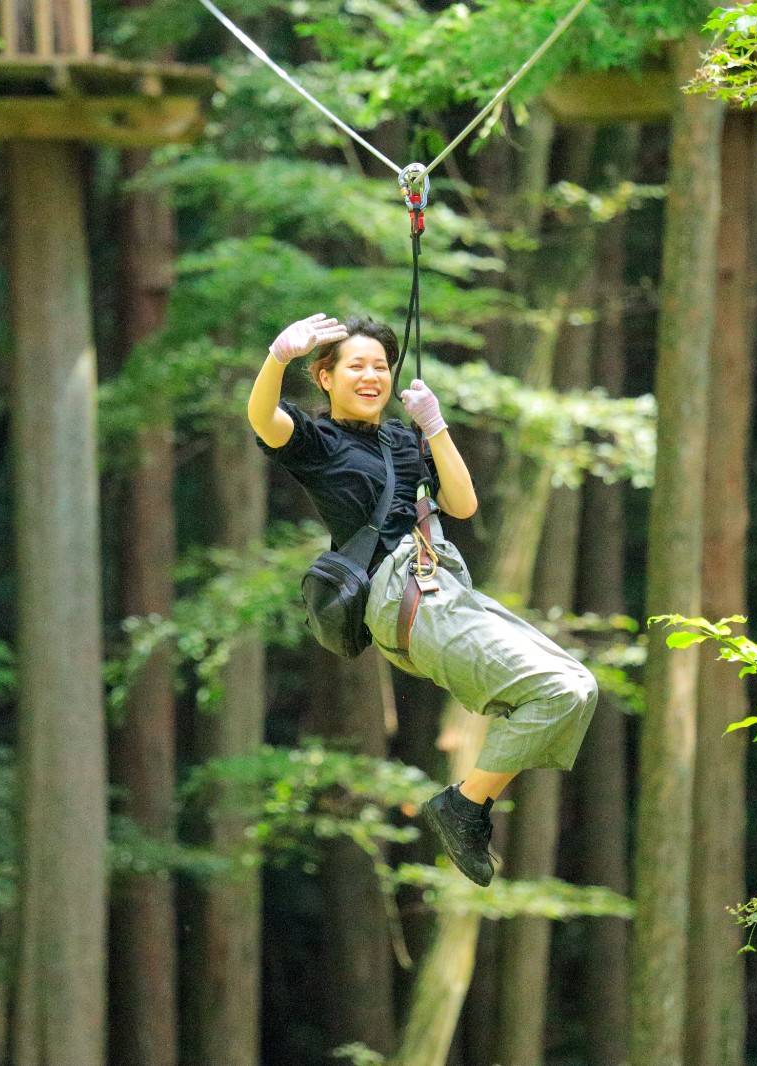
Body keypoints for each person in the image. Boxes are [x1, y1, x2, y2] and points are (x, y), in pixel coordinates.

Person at [246, 312, 599, 885]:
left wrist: (434, 426)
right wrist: (276, 357)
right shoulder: (317, 441)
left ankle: (466, 802)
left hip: (445, 585)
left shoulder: (401, 439)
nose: (371, 377)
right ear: (325, 377)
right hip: (402, 594)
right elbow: (264, 419)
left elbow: (462, 506)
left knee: (578, 687)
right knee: (555, 690)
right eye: (355, 366)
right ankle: (464, 804)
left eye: (380, 366)